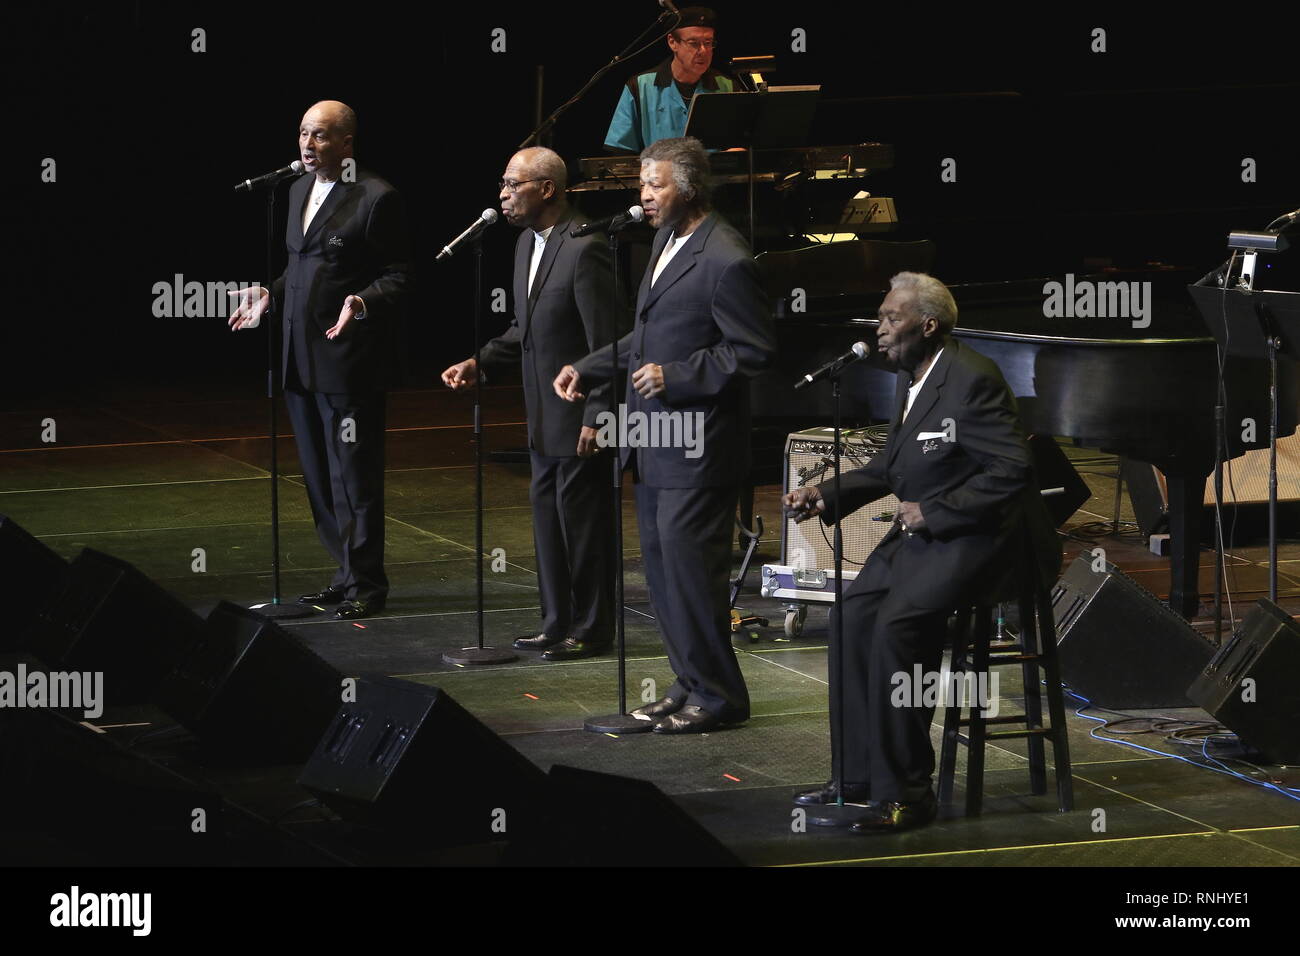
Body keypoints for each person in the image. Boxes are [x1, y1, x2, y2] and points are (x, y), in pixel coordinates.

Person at [783, 272, 1061, 832]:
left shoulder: (971, 380)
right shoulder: (914, 379)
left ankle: (908, 792)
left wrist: (934, 511)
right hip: (926, 536)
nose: (879, 331)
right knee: (850, 617)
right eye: (880, 319)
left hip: (982, 539)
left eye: (891, 319)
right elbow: (892, 468)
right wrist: (824, 492)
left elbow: (1012, 470)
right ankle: (857, 776)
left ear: (927, 324)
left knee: (896, 627)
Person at [554, 136, 776, 734]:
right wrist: (592, 364)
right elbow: (651, 337)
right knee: (662, 574)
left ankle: (722, 699)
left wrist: (677, 376)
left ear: (691, 187)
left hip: (699, 449)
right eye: (643, 185)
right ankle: (689, 683)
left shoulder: (726, 257)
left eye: (655, 185)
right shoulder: (664, 241)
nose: (644, 197)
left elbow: (753, 350)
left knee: (693, 577)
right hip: (653, 442)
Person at [228, 100, 410, 620]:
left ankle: (368, 583)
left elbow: (399, 273)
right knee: (318, 475)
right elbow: (304, 267)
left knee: (354, 474)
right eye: (304, 134)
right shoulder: (294, 191)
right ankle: (345, 573)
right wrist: (270, 292)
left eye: (322, 136)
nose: (309, 145)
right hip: (297, 358)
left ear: (348, 143)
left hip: (348, 359)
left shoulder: (377, 197)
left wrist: (363, 301)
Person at [441, 147, 623, 661]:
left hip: (580, 414)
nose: (503, 195)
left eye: (513, 184)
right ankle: (556, 620)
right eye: (502, 184)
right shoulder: (525, 244)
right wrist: (480, 361)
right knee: (548, 522)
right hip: (541, 414)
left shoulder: (586, 246)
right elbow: (525, 327)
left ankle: (591, 627)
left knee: (583, 528)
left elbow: (608, 338)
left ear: (547, 189)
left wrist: (600, 416)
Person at [604, 7, 734, 154]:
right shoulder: (640, 86)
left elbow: (743, 141)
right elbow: (620, 151)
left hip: (712, 176)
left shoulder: (728, 86)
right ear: (672, 42)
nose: (703, 51)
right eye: (694, 43)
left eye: (708, 42)